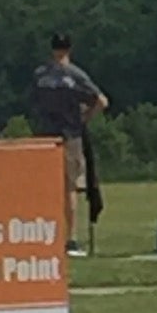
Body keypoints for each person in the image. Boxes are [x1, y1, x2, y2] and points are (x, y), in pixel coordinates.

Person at [29, 31, 108, 257]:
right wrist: (85, 117)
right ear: (70, 48)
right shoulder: (74, 75)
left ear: (52, 48)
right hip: (69, 135)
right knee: (69, 188)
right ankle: (70, 239)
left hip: (45, 136)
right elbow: (102, 101)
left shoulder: (40, 75)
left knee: (45, 188)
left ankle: (43, 235)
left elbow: (33, 102)